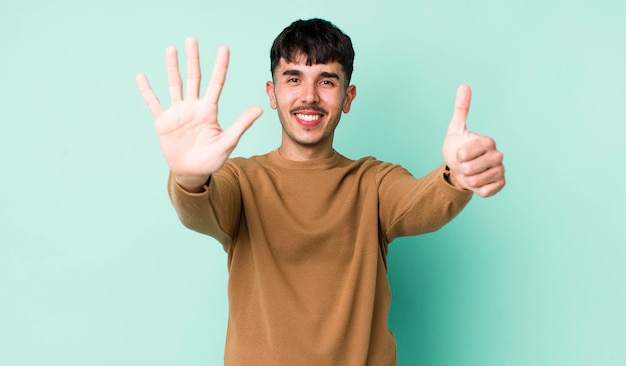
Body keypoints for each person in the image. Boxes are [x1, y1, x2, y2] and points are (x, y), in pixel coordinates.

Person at [136, 18, 504, 366]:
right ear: (272, 93)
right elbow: (201, 210)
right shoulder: (241, 180)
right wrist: (187, 176)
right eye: (293, 79)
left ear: (348, 96)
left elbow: (421, 203)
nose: (309, 96)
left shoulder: (373, 181)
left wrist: (457, 177)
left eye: (327, 81)